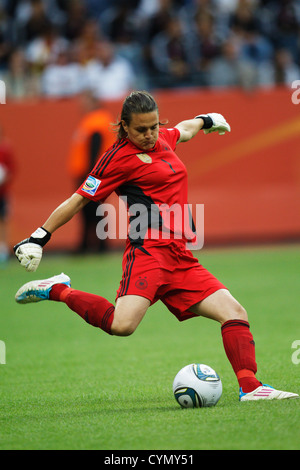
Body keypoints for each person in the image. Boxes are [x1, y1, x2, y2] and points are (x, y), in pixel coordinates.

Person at [13, 90, 298, 402]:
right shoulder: (115, 159)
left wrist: (206, 120)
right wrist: (40, 236)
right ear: (124, 126)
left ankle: (252, 388)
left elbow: (184, 130)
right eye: (141, 130)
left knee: (234, 312)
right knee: (121, 326)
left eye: (154, 127)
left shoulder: (163, 138)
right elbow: (79, 198)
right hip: (148, 252)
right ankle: (58, 289)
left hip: (180, 256)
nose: (149, 135)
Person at [67, 90, 115, 252]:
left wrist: (90, 173)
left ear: (93, 101)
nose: (82, 104)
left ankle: (95, 245)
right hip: (90, 172)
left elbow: (95, 146)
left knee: (91, 208)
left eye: (85, 100)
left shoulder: (97, 120)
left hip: (91, 174)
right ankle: (89, 244)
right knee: (88, 209)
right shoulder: (92, 120)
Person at [0, 125, 15, 265]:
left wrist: (4, 178)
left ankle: (3, 251)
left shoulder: (5, 150)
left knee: (4, 220)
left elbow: (12, 170)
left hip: (2, 193)